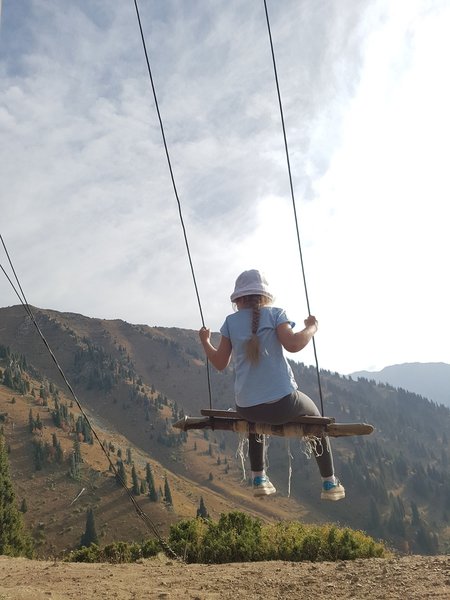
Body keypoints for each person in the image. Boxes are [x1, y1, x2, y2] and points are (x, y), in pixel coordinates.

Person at [198, 269, 345, 501]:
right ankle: (329, 482)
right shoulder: (276, 314)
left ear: (238, 299)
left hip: (246, 407)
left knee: (253, 422)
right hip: (284, 404)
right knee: (316, 418)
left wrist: (205, 342)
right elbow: (294, 344)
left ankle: (259, 478)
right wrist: (312, 327)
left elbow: (219, 363)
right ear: (265, 296)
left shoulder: (230, 322)